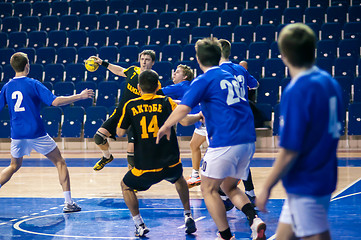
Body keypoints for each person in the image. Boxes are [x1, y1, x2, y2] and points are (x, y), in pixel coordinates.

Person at [157, 38, 266, 240]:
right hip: (248, 140)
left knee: (208, 189)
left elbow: (183, 108)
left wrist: (165, 126)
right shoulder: (233, 74)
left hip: (226, 140)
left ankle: (225, 235)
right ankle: (255, 220)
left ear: (198, 59)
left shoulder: (204, 79)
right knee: (229, 186)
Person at [257, 23, 343, 240]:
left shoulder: (298, 90)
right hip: (324, 173)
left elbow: (290, 150)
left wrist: (266, 186)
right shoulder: (329, 82)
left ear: (283, 55)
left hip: (306, 181)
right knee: (285, 236)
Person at [0, 52, 94, 212]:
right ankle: (69, 203)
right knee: (59, 162)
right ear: (27, 66)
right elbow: (55, 101)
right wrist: (80, 96)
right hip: (37, 133)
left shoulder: (7, 87)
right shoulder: (32, 83)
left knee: (14, 165)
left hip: (17, 134)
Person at [116, 69, 198, 237]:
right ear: (157, 86)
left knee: (126, 186)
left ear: (139, 87)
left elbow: (119, 132)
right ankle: (188, 215)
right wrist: (200, 115)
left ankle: (139, 224)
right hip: (170, 163)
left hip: (145, 167)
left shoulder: (130, 106)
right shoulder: (167, 102)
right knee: (179, 179)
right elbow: (185, 120)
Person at [92, 50, 156, 171]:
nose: (143, 62)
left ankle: (131, 183)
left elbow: (158, 99)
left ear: (152, 62)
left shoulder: (153, 80)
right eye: (142, 59)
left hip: (136, 119)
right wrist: (103, 63)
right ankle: (107, 157)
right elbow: (119, 70)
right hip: (120, 113)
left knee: (131, 155)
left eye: (147, 59)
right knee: (98, 138)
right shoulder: (133, 70)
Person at [219, 39, 259, 204]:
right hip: (245, 120)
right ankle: (249, 192)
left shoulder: (216, 72)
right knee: (240, 159)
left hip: (227, 122)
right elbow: (255, 84)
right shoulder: (239, 69)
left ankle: (223, 195)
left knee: (222, 160)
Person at [158, 64, 205, 188]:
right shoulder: (190, 86)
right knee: (194, 144)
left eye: (177, 72)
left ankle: (229, 176)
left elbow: (157, 92)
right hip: (202, 121)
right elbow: (184, 101)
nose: (174, 74)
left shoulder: (181, 86)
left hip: (206, 121)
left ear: (185, 76)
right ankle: (195, 175)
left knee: (214, 151)